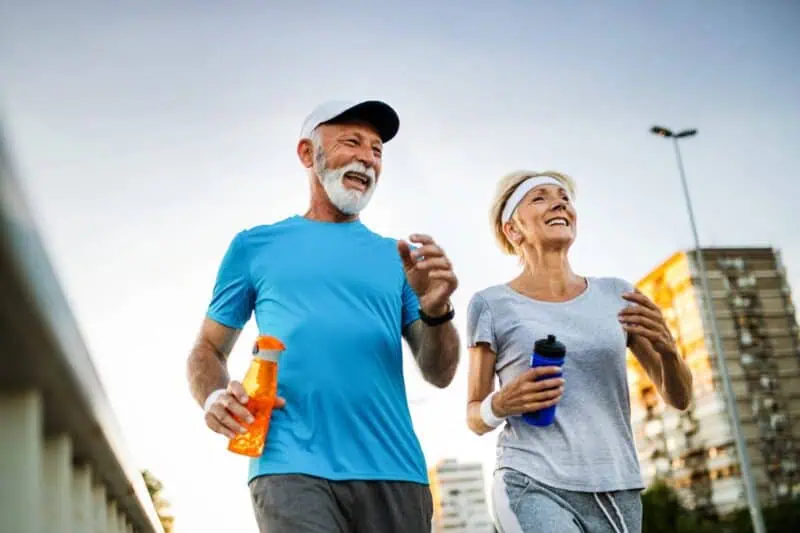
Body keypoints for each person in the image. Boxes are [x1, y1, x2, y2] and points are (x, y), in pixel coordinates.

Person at [186, 100, 461, 533]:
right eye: (352, 142)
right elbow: (207, 348)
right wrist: (213, 396)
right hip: (288, 464)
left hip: (395, 470)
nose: (367, 158)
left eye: (376, 150)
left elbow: (439, 373)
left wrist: (437, 310)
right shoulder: (255, 247)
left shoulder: (400, 259)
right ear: (306, 153)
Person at [465, 170, 694, 533]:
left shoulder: (617, 295)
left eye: (564, 198)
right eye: (539, 197)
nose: (559, 204)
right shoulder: (491, 305)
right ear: (513, 229)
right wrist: (501, 403)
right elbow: (474, 416)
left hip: (616, 485)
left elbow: (679, 399)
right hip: (530, 479)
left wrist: (669, 352)